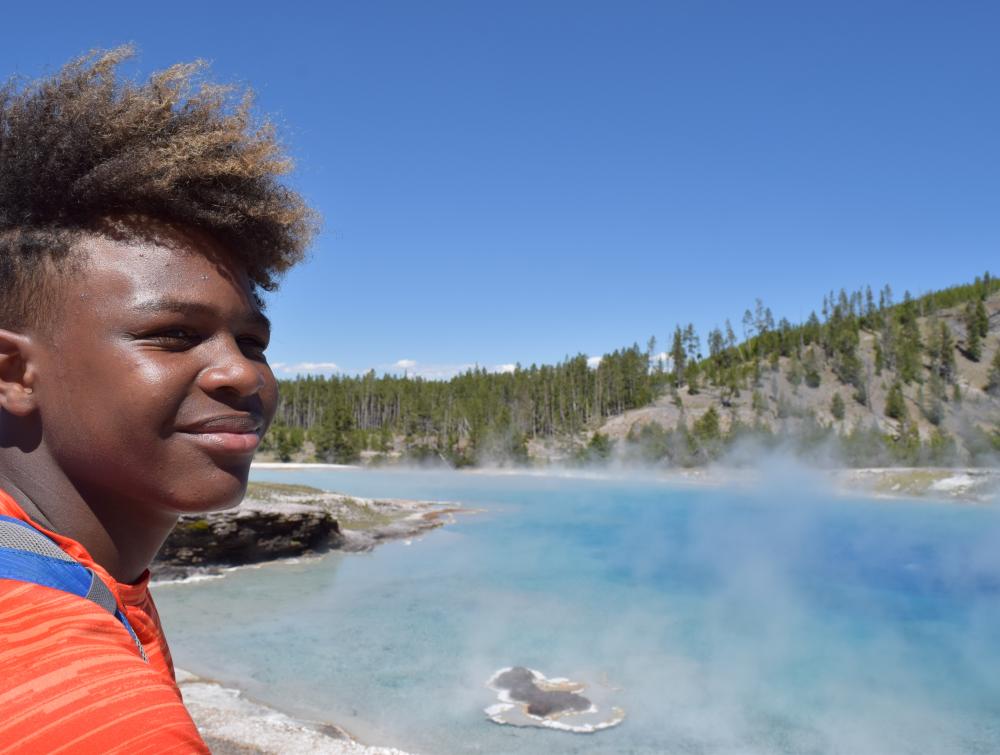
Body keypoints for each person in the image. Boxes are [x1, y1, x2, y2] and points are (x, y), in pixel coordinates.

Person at [0, 47, 317, 752]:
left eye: (253, 340)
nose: (242, 375)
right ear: (13, 372)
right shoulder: (90, 710)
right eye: (174, 334)